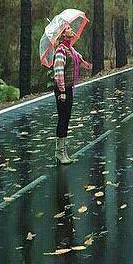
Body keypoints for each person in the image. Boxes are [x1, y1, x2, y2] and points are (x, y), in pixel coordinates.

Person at [53, 25, 92, 164]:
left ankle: (63, 152)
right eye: (68, 28)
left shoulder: (69, 48)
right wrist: (62, 91)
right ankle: (59, 153)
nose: (71, 29)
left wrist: (84, 62)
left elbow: (76, 56)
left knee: (66, 118)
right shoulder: (60, 51)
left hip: (68, 88)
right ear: (63, 34)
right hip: (62, 89)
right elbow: (58, 73)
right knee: (63, 119)